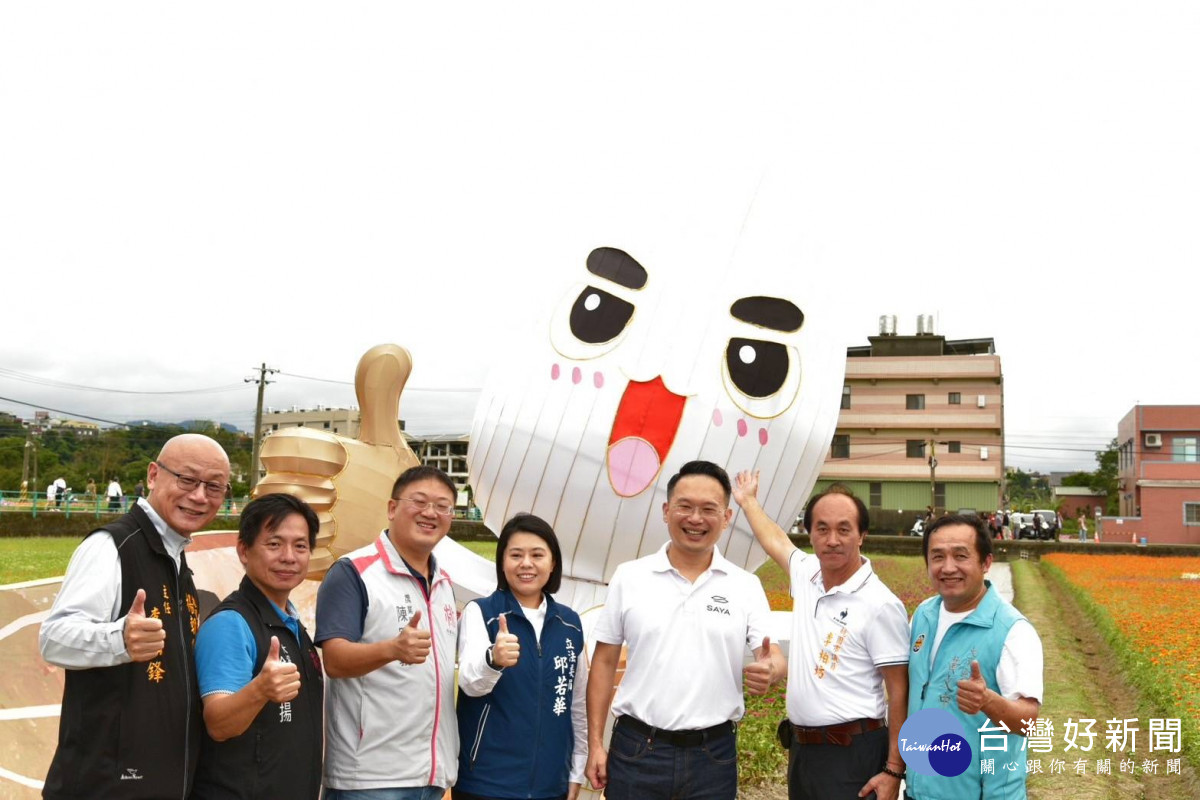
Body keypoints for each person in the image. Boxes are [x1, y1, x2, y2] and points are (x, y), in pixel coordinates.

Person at [39, 433, 231, 799]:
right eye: (187, 480)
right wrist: (119, 639)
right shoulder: (112, 546)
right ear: (154, 474)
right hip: (104, 786)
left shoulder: (176, 559)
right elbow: (54, 638)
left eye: (214, 487)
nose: (199, 496)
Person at [585, 460, 785, 800]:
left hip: (713, 756)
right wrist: (595, 745)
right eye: (685, 507)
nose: (695, 519)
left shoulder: (744, 586)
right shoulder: (630, 577)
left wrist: (772, 670)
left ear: (726, 518)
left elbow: (774, 657)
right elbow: (603, 663)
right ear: (666, 511)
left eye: (709, 509)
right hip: (637, 749)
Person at [734, 472, 909, 800]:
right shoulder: (807, 574)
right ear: (810, 534)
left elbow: (899, 692)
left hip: (853, 753)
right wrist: (748, 502)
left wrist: (893, 770)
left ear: (862, 536)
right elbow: (775, 540)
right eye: (822, 529)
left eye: (844, 529)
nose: (832, 540)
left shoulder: (881, 604)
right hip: (803, 751)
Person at [315, 465, 460, 799]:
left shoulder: (443, 583)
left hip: (432, 776)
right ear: (392, 508)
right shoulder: (354, 573)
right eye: (420, 501)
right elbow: (334, 660)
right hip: (370, 779)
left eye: (443, 506)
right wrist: (391, 649)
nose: (430, 513)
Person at [191, 492, 324, 800]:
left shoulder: (291, 623)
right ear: (244, 550)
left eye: (300, 546)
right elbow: (219, 723)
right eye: (274, 544)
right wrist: (260, 689)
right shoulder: (231, 624)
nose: (289, 557)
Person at [907, 514, 1044, 799]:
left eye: (961, 556)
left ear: (986, 563)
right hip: (920, 791)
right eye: (937, 557)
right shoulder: (923, 616)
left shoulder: (1012, 631)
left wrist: (988, 701)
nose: (948, 567)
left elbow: (1028, 722)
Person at [455, 513, 588, 800]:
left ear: (552, 563)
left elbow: (576, 705)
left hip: (550, 784)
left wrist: (575, 771)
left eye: (537, 555)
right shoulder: (482, 612)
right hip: (486, 783)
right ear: (502, 562)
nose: (526, 563)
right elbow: (469, 683)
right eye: (516, 554)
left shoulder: (570, 623)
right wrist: (494, 659)